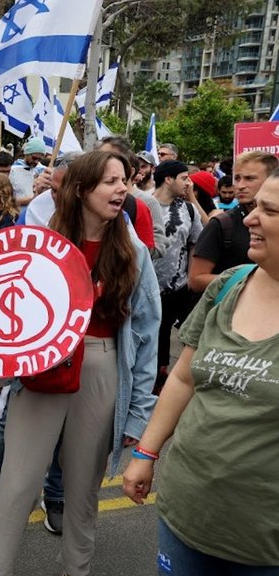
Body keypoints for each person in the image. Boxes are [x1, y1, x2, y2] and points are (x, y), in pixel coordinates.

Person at [0, 150, 161, 576]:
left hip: (102, 368)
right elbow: (10, 312)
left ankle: (75, 570)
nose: (122, 189)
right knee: (16, 486)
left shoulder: (133, 250)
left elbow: (148, 335)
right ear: (81, 190)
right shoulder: (43, 241)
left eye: (125, 181)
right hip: (42, 371)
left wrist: (138, 414)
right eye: (110, 182)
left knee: (82, 493)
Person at [122, 174, 279, 575]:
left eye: (270, 210)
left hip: (262, 542)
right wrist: (145, 452)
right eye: (255, 206)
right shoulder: (227, 285)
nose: (248, 219)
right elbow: (183, 378)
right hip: (186, 515)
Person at [189, 151, 279, 292]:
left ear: (271, 180)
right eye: (237, 178)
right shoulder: (221, 224)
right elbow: (196, 280)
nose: (240, 185)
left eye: (249, 178)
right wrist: (249, 282)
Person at [151, 161, 202, 392]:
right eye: (184, 178)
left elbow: (196, 243)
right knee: (157, 339)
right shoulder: (142, 204)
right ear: (168, 179)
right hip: (150, 289)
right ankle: (158, 383)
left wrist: (192, 276)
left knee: (192, 335)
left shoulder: (188, 209)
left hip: (181, 287)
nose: (188, 183)